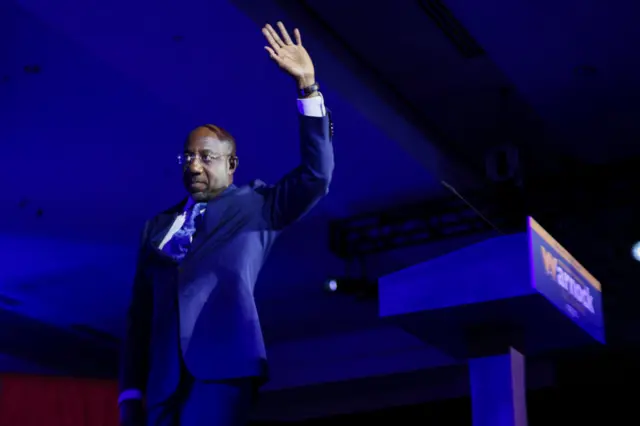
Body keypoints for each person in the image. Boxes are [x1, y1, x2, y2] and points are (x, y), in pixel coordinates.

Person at [118, 22, 334, 426]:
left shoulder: (257, 205)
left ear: (231, 165)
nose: (194, 166)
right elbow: (138, 315)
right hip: (161, 385)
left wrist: (308, 88)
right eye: (187, 158)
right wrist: (129, 393)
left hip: (222, 372)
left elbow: (316, 176)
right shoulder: (156, 226)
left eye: (206, 157)